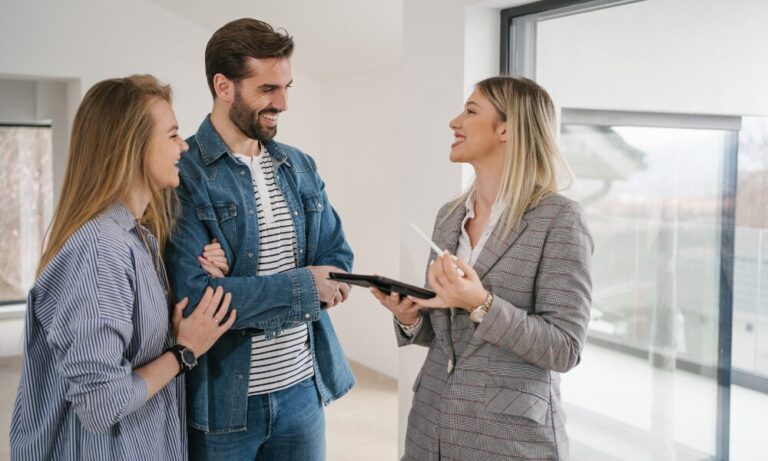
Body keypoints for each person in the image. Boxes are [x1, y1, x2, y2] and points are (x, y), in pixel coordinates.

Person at [9, 75, 236, 461]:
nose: (183, 146)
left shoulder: (137, 236)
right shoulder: (99, 250)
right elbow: (102, 403)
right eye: (172, 135)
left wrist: (203, 271)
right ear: (132, 146)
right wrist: (184, 352)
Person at [370, 76, 593, 461]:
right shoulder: (449, 216)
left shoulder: (559, 218)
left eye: (471, 112)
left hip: (508, 441)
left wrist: (483, 304)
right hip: (430, 431)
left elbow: (564, 349)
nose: (454, 122)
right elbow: (445, 335)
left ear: (507, 128)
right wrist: (411, 318)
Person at [163, 18, 354, 460]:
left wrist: (239, 289)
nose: (283, 102)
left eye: (287, 86)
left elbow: (339, 260)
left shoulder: (300, 166)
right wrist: (307, 286)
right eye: (267, 89)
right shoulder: (184, 173)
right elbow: (196, 301)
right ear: (223, 85)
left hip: (303, 391)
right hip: (225, 405)